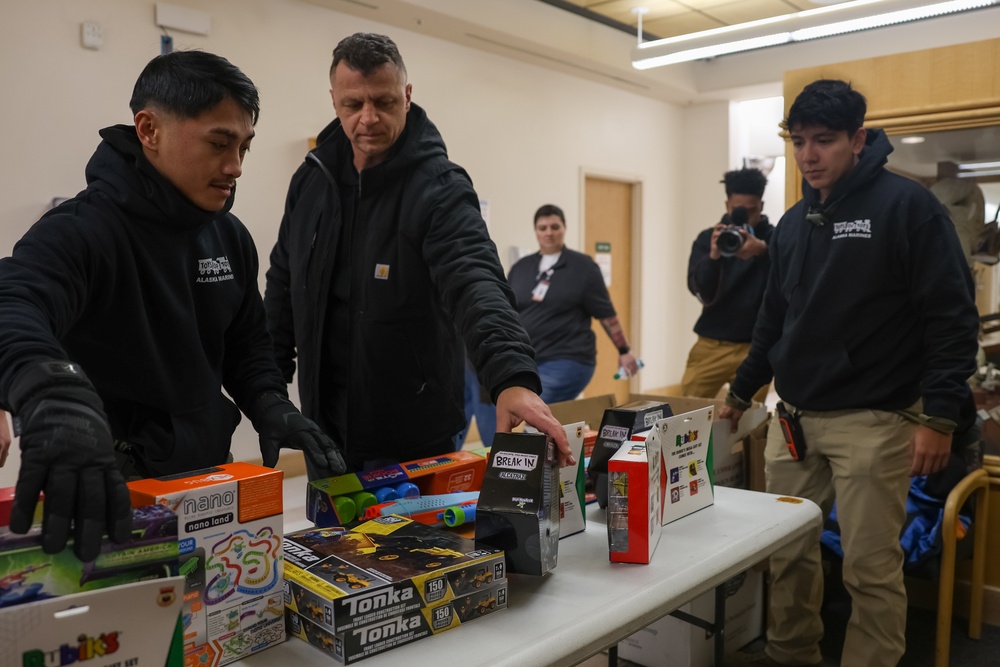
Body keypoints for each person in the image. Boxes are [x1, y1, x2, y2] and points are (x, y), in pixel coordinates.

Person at [0, 51, 345, 562]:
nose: (236, 167)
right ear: (149, 129)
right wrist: (53, 395)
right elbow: (14, 303)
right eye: (219, 143)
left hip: (209, 473)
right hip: (115, 487)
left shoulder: (228, 235)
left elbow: (245, 344)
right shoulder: (82, 231)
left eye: (245, 147)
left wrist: (269, 402)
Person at [721, 79, 979, 667]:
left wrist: (939, 416)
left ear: (859, 139)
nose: (809, 156)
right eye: (799, 142)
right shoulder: (791, 224)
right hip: (795, 422)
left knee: (869, 569)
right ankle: (791, 655)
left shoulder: (907, 209)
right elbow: (774, 323)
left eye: (826, 141)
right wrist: (740, 391)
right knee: (786, 555)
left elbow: (952, 319)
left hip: (876, 421)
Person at [264, 33, 571, 474]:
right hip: (325, 431)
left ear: (407, 97)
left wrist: (511, 377)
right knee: (333, 544)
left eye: (384, 102)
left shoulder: (438, 186)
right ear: (333, 100)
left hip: (414, 437)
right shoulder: (311, 180)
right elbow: (284, 284)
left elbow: (475, 280)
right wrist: (270, 391)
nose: (368, 118)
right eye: (353, 105)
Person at [507, 204, 640, 403]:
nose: (549, 233)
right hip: (528, 359)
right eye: (543, 228)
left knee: (538, 412)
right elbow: (509, 313)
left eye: (555, 227)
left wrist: (624, 351)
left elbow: (607, 315)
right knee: (547, 417)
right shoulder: (521, 268)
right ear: (536, 231)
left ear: (564, 228)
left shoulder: (583, 268)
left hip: (568, 359)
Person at [681, 168, 772, 402]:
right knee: (687, 414)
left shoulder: (774, 239)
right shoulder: (709, 238)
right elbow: (699, 290)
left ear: (761, 206)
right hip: (712, 344)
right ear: (727, 206)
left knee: (750, 421)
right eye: (737, 210)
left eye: (750, 211)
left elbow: (790, 282)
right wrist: (714, 256)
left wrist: (764, 252)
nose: (744, 217)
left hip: (755, 346)